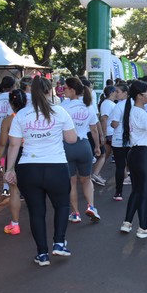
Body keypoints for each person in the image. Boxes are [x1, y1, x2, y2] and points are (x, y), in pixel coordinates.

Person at [4, 76, 77, 266]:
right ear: (49, 90)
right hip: (56, 166)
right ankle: (59, 242)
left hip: (29, 168)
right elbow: (71, 139)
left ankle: (42, 254)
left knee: (37, 212)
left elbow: (14, 145)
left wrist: (9, 168)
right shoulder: (60, 112)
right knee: (61, 206)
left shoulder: (21, 115)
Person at [120, 79, 147, 238]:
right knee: (145, 191)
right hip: (145, 154)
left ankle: (127, 222)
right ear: (140, 96)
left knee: (137, 190)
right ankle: (143, 227)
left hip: (137, 153)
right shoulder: (139, 112)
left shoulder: (135, 111)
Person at [61, 77, 102, 224]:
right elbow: (94, 129)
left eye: (65, 87)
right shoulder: (88, 106)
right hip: (84, 145)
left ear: (72, 89)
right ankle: (91, 206)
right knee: (86, 179)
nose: (62, 90)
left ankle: (75, 213)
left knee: (71, 182)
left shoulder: (63, 107)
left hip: (67, 146)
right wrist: (97, 146)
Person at [0, 89, 27, 235]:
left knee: (14, 190)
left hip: (14, 155)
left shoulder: (8, 120)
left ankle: (15, 224)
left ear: (11, 104)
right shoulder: (33, 116)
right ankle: (38, 222)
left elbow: (2, 144)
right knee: (35, 191)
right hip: (32, 155)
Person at [0, 76, 16, 196]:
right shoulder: (16, 96)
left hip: (1, 131)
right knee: (16, 158)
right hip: (15, 131)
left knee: (4, 160)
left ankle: (5, 187)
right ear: (13, 85)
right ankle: (16, 186)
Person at [108, 82, 131, 201]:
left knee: (120, 166)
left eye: (117, 91)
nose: (115, 94)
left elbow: (115, 123)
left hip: (119, 139)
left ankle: (118, 192)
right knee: (133, 165)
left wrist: (112, 123)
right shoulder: (134, 104)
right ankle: (137, 190)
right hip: (132, 139)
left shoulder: (118, 106)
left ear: (125, 93)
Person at [91, 85, 115, 186]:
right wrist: (103, 135)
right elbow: (103, 119)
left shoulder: (109, 103)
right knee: (105, 154)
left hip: (110, 132)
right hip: (109, 133)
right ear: (111, 93)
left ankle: (96, 173)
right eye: (115, 92)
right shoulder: (107, 104)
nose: (116, 94)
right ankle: (95, 174)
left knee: (105, 154)